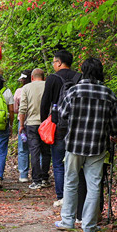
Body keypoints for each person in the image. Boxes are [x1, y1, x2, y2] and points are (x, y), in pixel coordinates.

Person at [55, 58, 117, 232]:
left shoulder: (74, 91)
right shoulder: (109, 94)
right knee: (94, 185)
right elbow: (115, 127)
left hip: (74, 143)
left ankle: (67, 220)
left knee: (71, 181)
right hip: (97, 145)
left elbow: (62, 114)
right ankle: (89, 225)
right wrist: (113, 135)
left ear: (83, 71)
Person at [40, 49, 82, 208]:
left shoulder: (52, 78)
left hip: (58, 124)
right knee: (76, 162)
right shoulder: (79, 77)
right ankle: (76, 196)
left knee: (58, 163)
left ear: (58, 63)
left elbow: (45, 102)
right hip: (77, 125)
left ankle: (62, 197)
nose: (53, 65)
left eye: (53, 62)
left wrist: (44, 122)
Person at [18, 68, 51, 189]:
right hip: (46, 123)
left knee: (34, 152)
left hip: (31, 123)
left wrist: (22, 125)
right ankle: (45, 178)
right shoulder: (48, 86)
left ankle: (36, 180)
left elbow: (22, 108)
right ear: (44, 77)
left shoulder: (26, 88)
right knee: (46, 151)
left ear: (32, 78)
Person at [14, 70, 32, 183]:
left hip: (22, 122)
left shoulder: (19, 91)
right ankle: (39, 174)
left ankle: (24, 174)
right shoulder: (39, 88)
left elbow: (16, 109)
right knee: (37, 148)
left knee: (23, 149)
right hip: (37, 122)